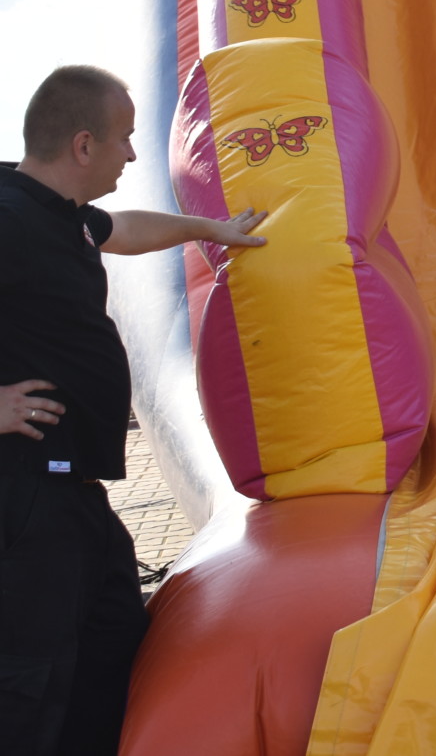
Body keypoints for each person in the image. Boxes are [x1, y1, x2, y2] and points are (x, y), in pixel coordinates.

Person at [1, 65, 268, 756]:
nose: (131, 153)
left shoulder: (60, 215)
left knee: (113, 642)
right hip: (24, 498)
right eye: (123, 137)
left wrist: (212, 228)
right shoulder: (9, 219)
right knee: (30, 684)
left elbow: (122, 229)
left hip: (72, 495)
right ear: (83, 144)